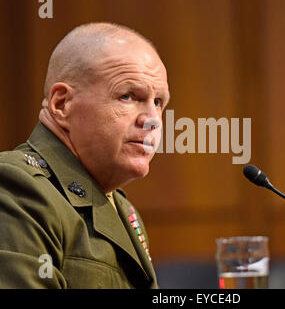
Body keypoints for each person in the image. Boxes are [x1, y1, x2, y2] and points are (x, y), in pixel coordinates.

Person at [0, 22, 170, 288]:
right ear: (62, 104)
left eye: (158, 102)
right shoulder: (15, 187)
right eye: (127, 96)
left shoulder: (123, 207)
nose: (152, 121)